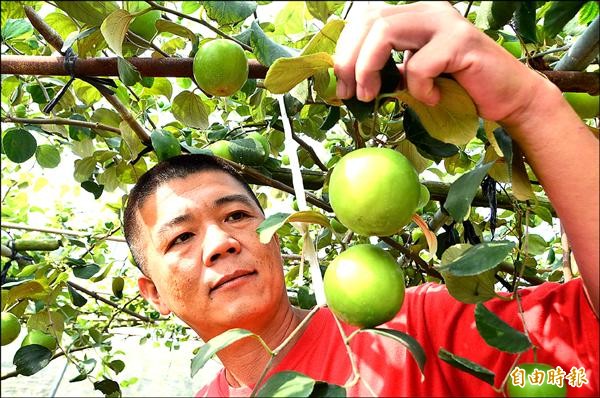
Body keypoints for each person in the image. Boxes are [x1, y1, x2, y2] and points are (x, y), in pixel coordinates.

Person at [122, 1, 599, 396]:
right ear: (153, 293)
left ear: (276, 238)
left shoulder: (413, 327)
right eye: (181, 236)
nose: (221, 242)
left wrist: (530, 107)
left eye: (238, 214)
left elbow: (575, 342)